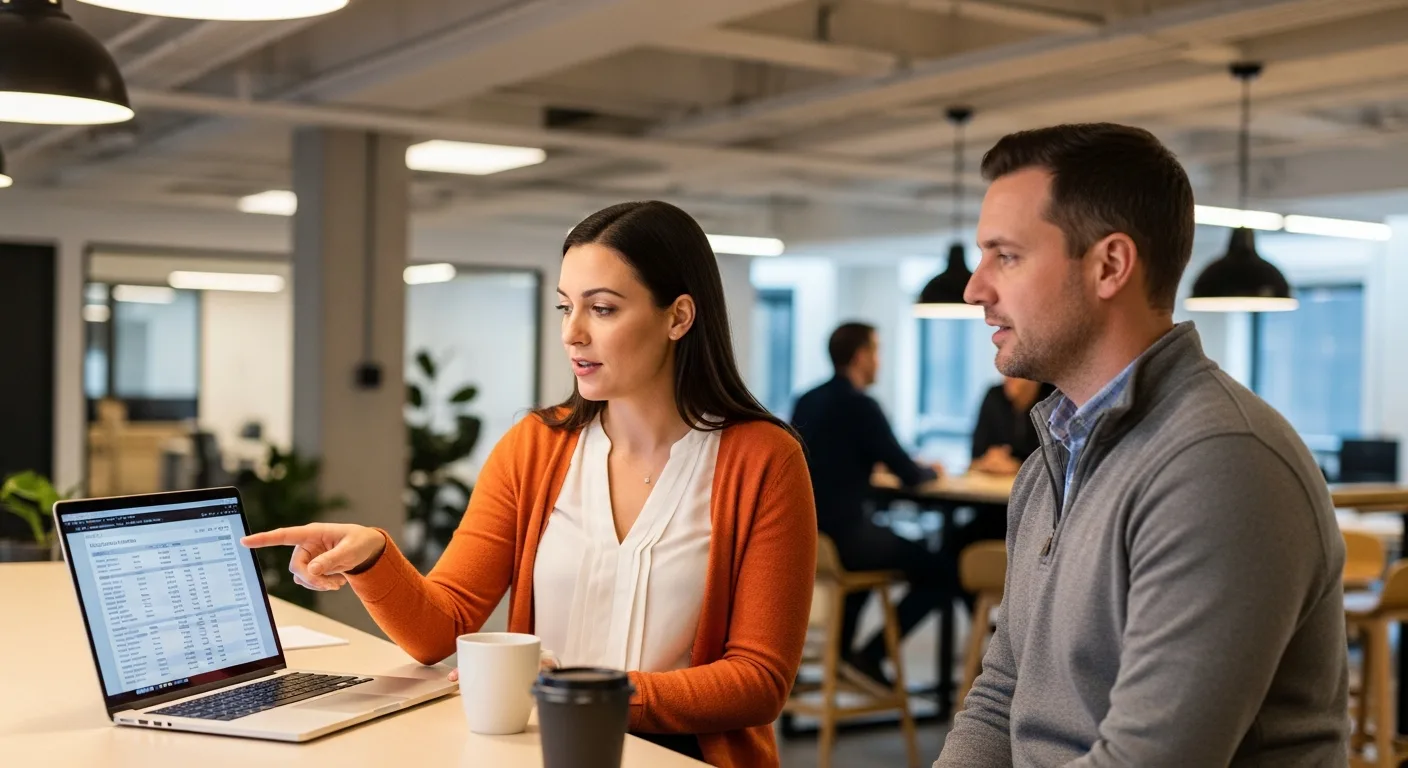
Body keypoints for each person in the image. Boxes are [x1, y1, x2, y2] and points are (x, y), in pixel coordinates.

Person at [243, 201, 817, 768]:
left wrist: (580, 690)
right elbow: (441, 628)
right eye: (566, 306)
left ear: (679, 317)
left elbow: (759, 681)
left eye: (604, 309)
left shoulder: (764, 460)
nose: (573, 333)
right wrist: (373, 557)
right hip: (538, 749)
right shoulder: (536, 446)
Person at [936, 124, 1347, 766]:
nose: (974, 288)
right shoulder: (1052, 461)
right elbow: (1001, 697)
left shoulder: (1221, 463)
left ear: (1110, 265)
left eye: (1006, 256)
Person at [790, 322, 948, 687]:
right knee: (941, 570)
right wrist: (932, 472)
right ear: (861, 357)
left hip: (809, 536)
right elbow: (907, 472)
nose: (879, 361)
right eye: (876, 352)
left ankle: (843, 659)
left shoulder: (807, 399)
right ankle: (870, 655)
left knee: (869, 561)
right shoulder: (861, 405)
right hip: (847, 536)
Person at [968, 376, 1054, 476]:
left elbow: (1060, 465)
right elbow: (975, 458)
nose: (1008, 376)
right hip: (993, 485)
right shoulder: (994, 396)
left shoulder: (1054, 400)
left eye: (1017, 371)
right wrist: (988, 461)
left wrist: (1018, 467)